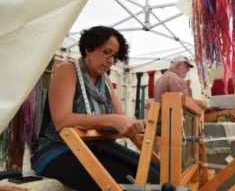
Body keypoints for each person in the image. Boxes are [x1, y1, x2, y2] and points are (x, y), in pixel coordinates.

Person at [31, 26, 159, 191]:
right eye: (107, 52)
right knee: (125, 180)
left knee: (154, 169)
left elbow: (121, 119)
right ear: (88, 49)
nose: (111, 60)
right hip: (56, 148)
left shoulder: (104, 80)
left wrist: (135, 124)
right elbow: (62, 121)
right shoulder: (67, 70)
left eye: (114, 56)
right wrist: (112, 120)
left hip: (96, 146)